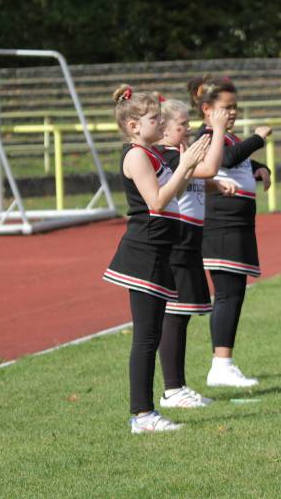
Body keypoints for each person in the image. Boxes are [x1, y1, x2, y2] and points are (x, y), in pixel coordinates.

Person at [102, 84, 209, 433]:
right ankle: (142, 414)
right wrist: (187, 164)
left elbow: (174, 191)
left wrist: (190, 165)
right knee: (146, 337)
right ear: (133, 125)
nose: (160, 123)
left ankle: (145, 412)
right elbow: (157, 201)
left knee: (151, 334)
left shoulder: (153, 154)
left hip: (160, 251)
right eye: (153, 118)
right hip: (144, 252)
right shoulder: (136, 155)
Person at [187, 75, 272, 388]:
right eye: (227, 107)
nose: (233, 112)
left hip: (238, 225)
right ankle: (220, 365)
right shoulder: (208, 134)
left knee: (234, 293)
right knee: (227, 293)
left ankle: (224, 362)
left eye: (236, 107)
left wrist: (260, 168)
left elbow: (239, 162)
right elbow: (225, 158)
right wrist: (258, 138)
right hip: (221, 225)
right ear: (207, 109)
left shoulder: (229, 137)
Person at [155, 98, 232, 408]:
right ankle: (172, 389)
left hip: (190, 240)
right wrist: (217, 129)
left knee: (181, 314)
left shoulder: (179, 153)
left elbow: (194, 182)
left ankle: (178, 385)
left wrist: (214, 186)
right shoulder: (167, 154)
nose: (187, 130)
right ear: (162, 129)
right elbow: (209, 166)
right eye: (181, 125)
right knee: (175, 314)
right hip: (178, 239)